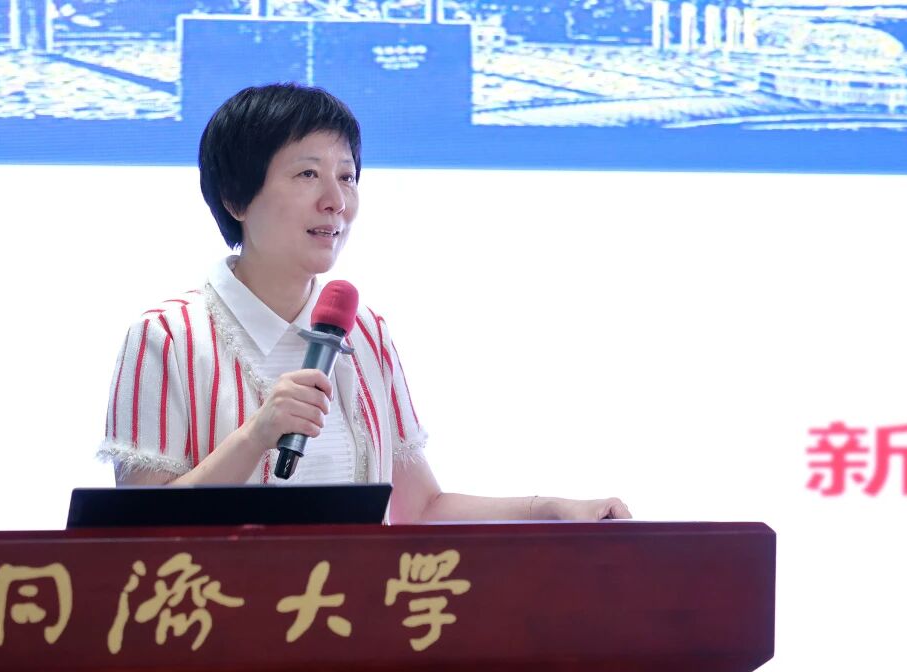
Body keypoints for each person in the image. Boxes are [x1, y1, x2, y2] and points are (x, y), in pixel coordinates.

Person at [98, 83, 630, 523]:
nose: (336, 201)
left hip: (345, 613)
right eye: (308, 174)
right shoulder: (167, 336)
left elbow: (419, 508)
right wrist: (257, 434)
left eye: (347, 176)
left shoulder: (364, 331)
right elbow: (137, 530)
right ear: (236, 198)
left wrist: (551, 510)